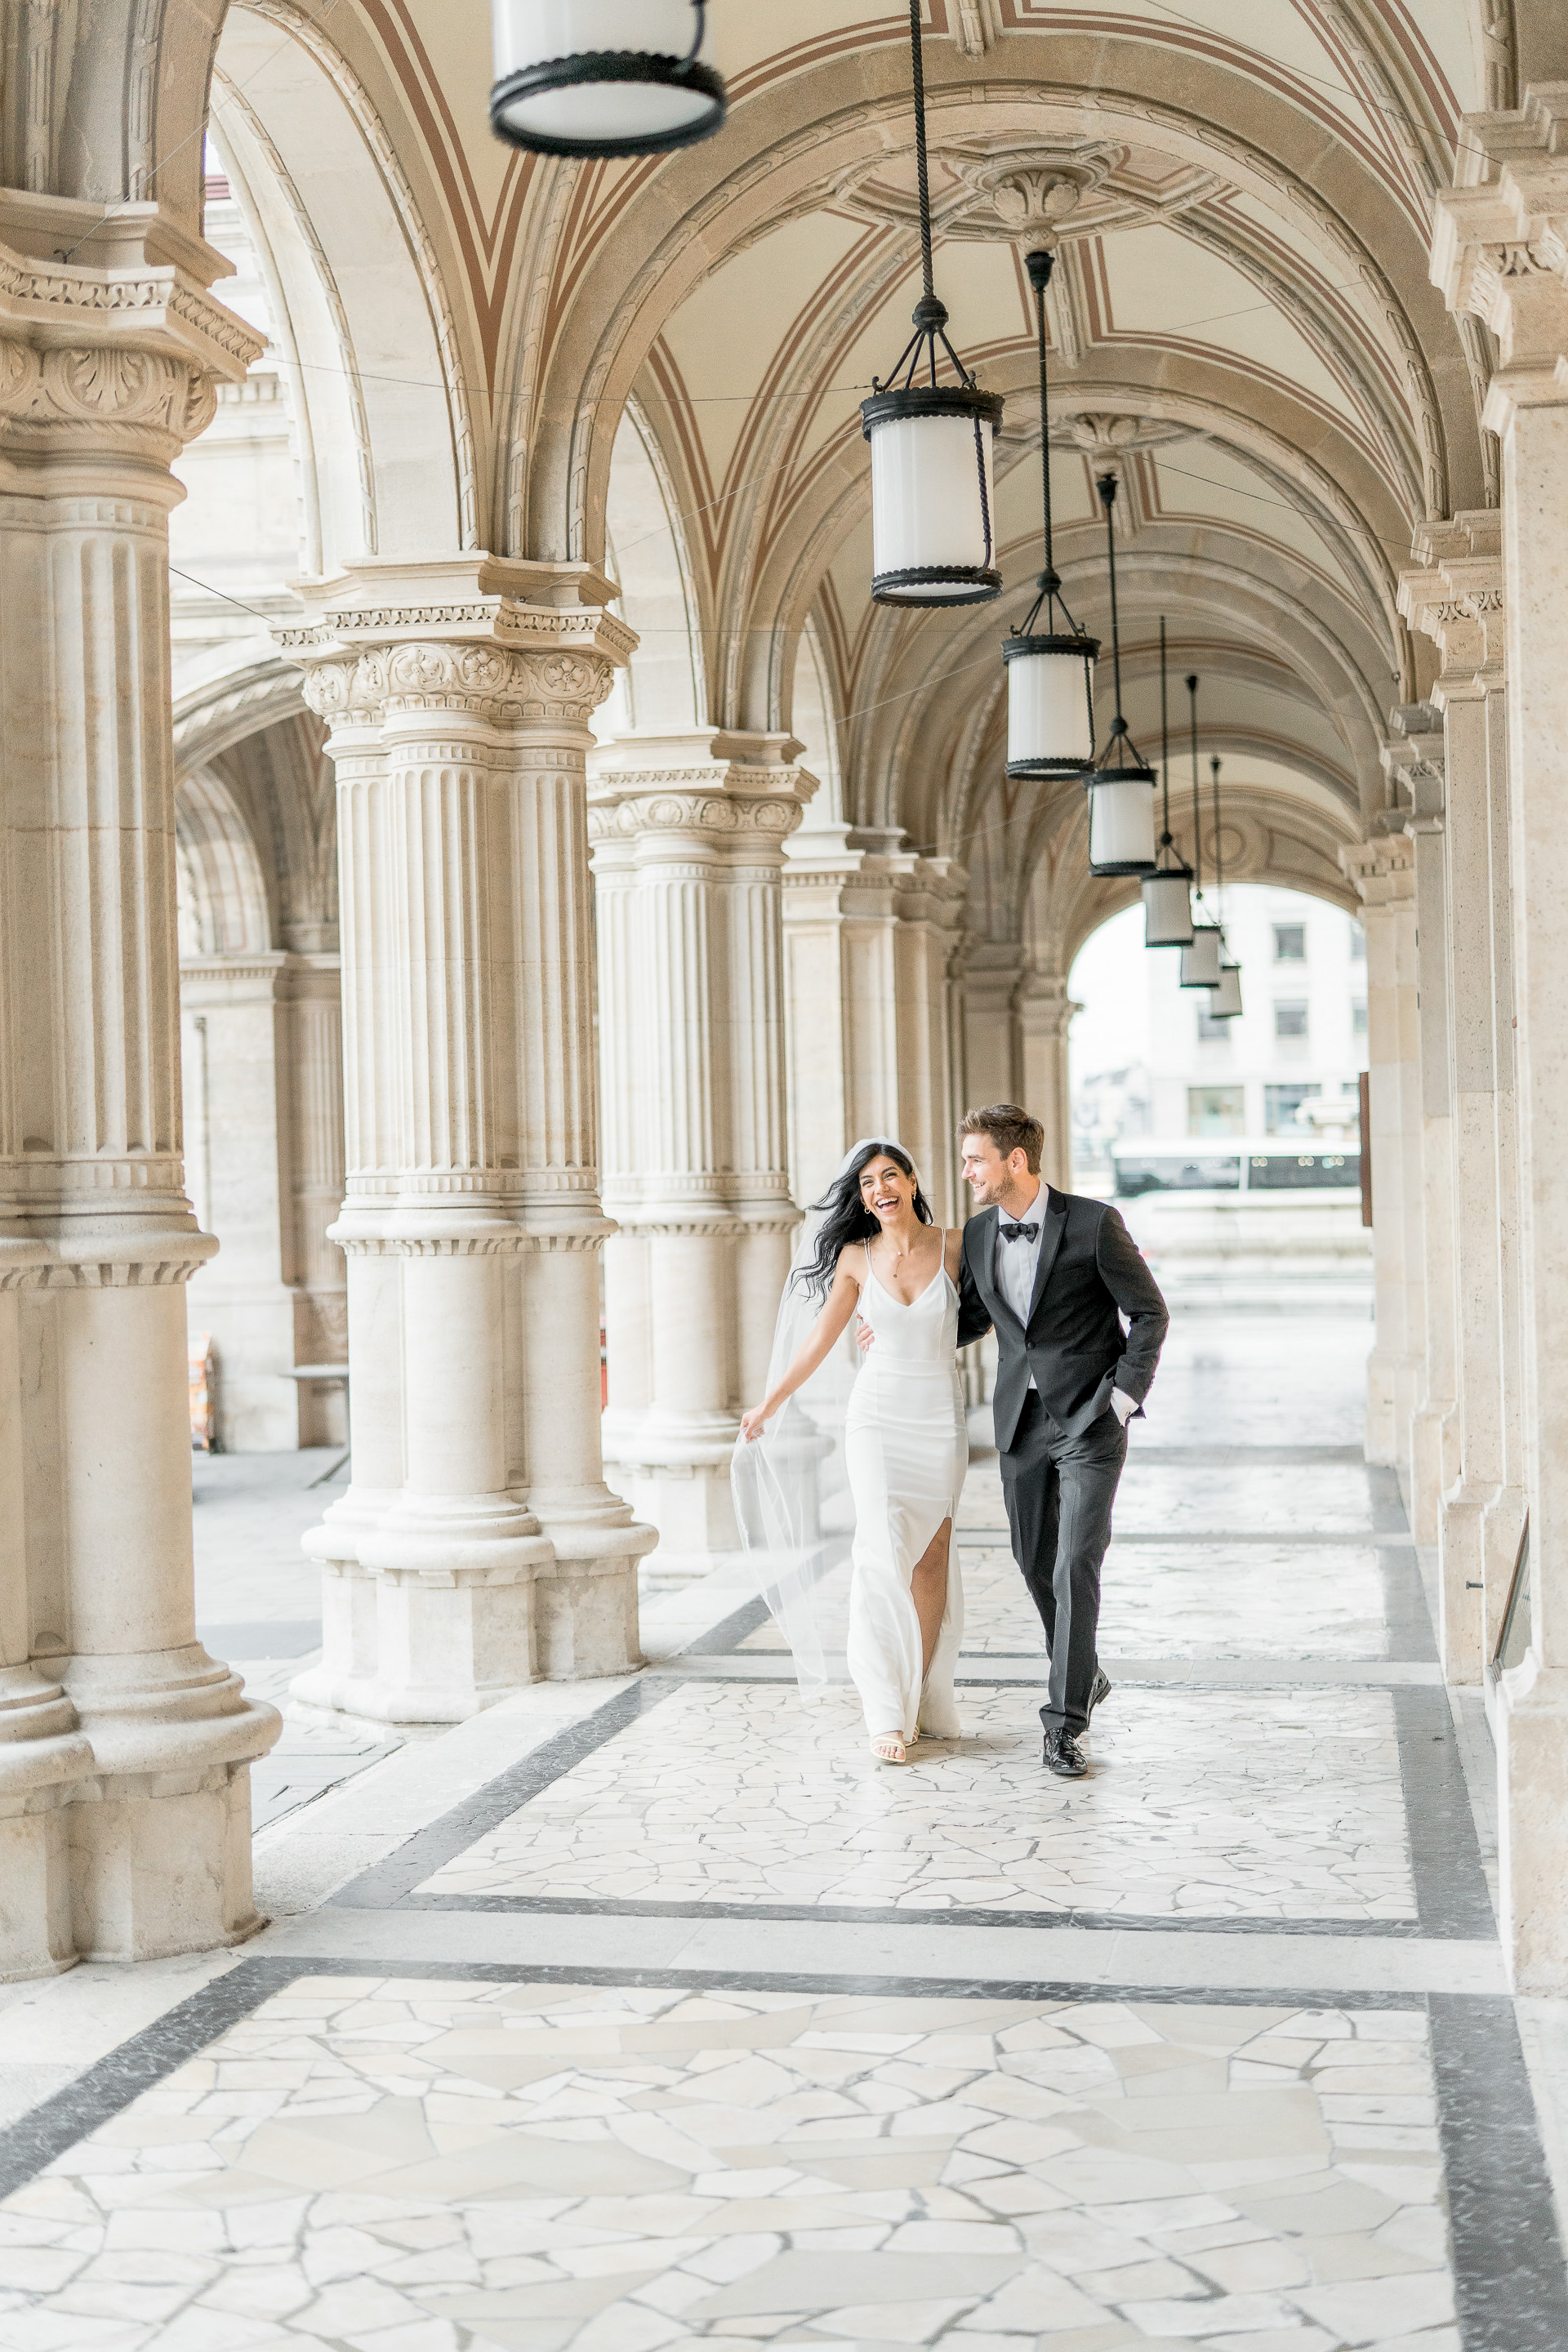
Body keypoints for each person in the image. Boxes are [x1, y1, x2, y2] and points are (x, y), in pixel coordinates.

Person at [949, 1103, 1168, 1778]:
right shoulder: (981, 1232)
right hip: (1019, 1422)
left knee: (1077, 1561)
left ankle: (1064, 1723)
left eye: (975, 1159)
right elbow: (974, 1318)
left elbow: (1149, 1312)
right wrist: (894, 1324)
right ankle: (1084, 1673)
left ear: (1015, 1160)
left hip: (1089, 1422)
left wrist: (1121, 1400)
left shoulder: (1095, 1224)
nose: (966, 1173)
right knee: (1033, 1561)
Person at [737, 1141, 966, 1766]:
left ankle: (917, 1693)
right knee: (877, 1552)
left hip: (938, 1415)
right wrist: (772, 1402)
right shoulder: (855, 1257)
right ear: (861, 1197)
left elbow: (993, 1314)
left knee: (931, 1558)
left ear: (914, 1181)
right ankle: (884, 1710)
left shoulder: (955, 1245)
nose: (880, 1189)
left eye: (890, 1176)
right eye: (867, 1183)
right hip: (877, 1417)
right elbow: (818, 1338)